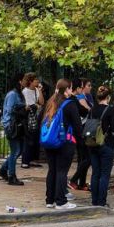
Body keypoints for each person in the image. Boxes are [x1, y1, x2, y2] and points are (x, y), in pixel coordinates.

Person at [42, 79, 78, 209]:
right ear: (67, 89)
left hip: (50, 141)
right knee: (62, 171)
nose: (71, 91)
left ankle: (49, 200)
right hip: (64, 142)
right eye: (71, 88)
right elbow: (77, 126)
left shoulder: (50, 102)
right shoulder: (70, 104)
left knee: (52, 170)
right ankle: (61, 201)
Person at [87, 85, 114, 207]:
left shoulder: (92, 109)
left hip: (92, 143)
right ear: (108, 97)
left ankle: (94, 201)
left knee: (95, 173)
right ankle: (101, 201)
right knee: (105, 174)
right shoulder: (110, 110)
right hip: (106, 144)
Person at [0, 73, 27, 186]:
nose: (26, 82)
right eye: (24, 79)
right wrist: (23, 108)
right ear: (20, 81)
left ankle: (3, 170)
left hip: (18, 125)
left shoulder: (19, 94)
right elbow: (10, 110)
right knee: (15, 151)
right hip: (12, 125)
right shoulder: (12, 94)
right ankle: (11, 176)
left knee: (19, 150)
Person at [68, 78, 92, 192]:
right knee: (87, 158)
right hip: (79, 132)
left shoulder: (74, 99)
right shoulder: (74, 100)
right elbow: (84, 110)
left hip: (78, 132)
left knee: (83, 158)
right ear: (77, 89)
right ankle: (74, 180)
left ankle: (81, 183)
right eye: (81, 87)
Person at [20, 73, 44, 169]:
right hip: (28, 116)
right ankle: (25, 160)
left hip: (36, 116)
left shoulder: (36, 90)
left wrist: (40, 90)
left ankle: (33, 159)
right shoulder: (25, 91)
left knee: (35, 138)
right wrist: (34, 105)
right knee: (28, 138)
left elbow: (42, 102)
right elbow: (26, 104)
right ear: (30, 81)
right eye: (35, 80)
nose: (37, 81)